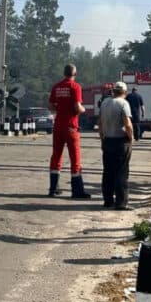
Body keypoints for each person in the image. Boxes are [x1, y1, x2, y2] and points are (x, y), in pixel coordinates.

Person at [48, 64, 91, 198]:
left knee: (56, 156)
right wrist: (84, 110)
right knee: (75, 158)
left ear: (64, 73)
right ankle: (77, 191)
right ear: (75, 74)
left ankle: (53, 188)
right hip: (71, 126)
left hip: (58, 126)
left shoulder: (56, 86)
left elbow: (50, 105)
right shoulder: (75, 87)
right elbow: (77, 107)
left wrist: (60, 109)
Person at [99, 81, 134, 210]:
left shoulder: (104, 103)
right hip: (120, 142)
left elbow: (100, 124)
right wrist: (131, 138)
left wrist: (102, 139)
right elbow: (127, 124)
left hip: (108, 140)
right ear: (125, 92)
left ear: (113, 91)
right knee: (121, 172)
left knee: (107, 172)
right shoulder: (123, 103)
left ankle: (108, 200)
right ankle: (121, 202)